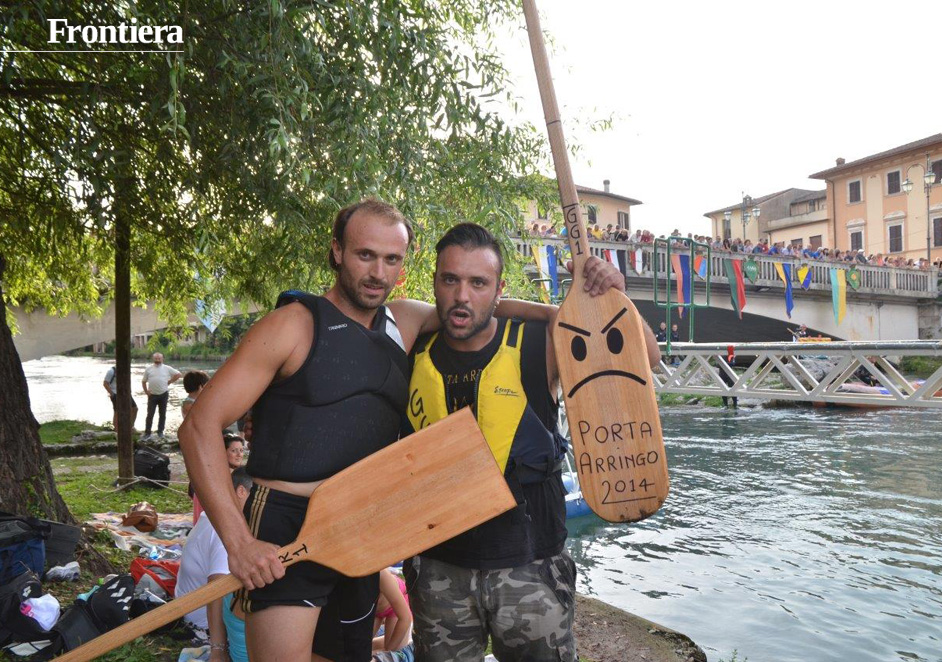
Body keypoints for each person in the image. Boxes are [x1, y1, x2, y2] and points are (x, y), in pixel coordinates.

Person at [179, 199, 612, 662]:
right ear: (337, 251)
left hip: (360, 525)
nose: (377, 272)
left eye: (391, 259)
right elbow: (199, 426)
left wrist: (573, 305)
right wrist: (239, 544)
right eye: (365, 255)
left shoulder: (402, 321)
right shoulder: (292, 325)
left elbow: (475, 307)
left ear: (403, 267)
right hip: (288, 523)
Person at [402, 224, 660, 662]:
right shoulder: (411, 344)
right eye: (450, 280)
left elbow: (645, 358)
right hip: (439, 568)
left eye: (478, 283)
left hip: (530, 565)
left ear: (499, 289)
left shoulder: (540, 343)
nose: (462, 296)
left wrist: (615, 296)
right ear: (435, 283)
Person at [174, 467, 254, 661]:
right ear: (241, 492)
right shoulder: (226, 531)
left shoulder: (217, 516)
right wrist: (218, 650)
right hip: (202, 620)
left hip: (188, 608)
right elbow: (217, 590)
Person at [371, 568, 412, 658]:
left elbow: (406, 618)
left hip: (395, 608)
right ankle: (403, 637)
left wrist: (387, 652)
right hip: (375, 611)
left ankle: (408, 639)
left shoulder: (381, 574)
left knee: (394, 649)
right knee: (360, 645)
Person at [141, 353, 182, 440]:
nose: (157, 360)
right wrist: (146, 392)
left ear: (162, 359)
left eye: (159, 358)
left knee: (162, 414)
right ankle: (147, 433)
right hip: (152, 395)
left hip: (163, 394)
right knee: (150, 414)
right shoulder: (148, 369)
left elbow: (178, 374)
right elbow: (143, 381)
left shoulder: (167, 368)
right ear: (153, 359)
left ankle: (160, 432)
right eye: (156, 358)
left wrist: (170, 381)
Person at [102, 365, 137, 433]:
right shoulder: (111, 371)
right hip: (115, 393)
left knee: (134, 409)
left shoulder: (126, 370)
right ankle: (117, 431)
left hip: (126, 393)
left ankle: (130, 427)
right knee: (117, 412)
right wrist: (112, 394)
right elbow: (105, 383)